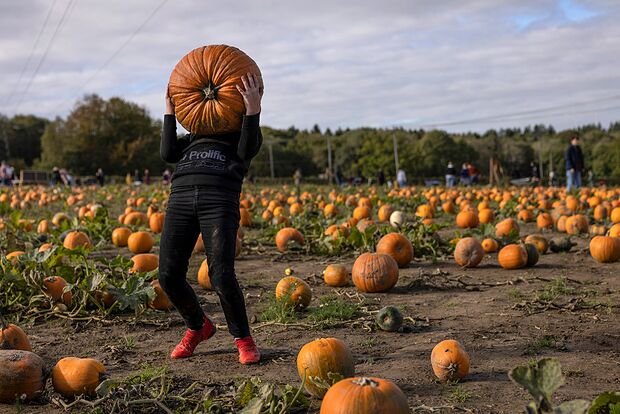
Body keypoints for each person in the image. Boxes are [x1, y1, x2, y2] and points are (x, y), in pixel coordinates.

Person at [158, 72, 263, 364]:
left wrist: (252, 110)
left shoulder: (239, 133)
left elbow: (247, 150)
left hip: (219, 200)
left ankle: (243, 338)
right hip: (179, 199)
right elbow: (167, 152)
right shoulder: (191, 138)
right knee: (168, 275)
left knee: (220, 275)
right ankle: (198, 326)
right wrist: (170, 111)